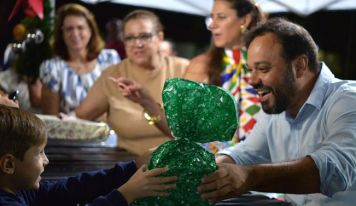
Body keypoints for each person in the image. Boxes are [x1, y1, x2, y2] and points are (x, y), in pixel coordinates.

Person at [198, 18, 356, 206]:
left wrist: (249, 176)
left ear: (300, 65)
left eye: (263, 69)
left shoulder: (349, 99)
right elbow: (248, 153)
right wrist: (216, 167)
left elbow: (332, 169)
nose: (253, 81)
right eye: (250, 70)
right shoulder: (279, 103)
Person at [0, 104, 177, 206]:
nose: (47, 160)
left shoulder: (18, 188)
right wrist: (125, 195)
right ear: (9, 165)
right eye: (39, 153)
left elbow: (71, 189)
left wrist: (133, 167)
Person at [75, 10, 189, 156]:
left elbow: (195, 132)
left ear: (159, 38)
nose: (137, 44)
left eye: (144, 36)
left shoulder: (184, 69)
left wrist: (147, 103)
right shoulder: (113, 74)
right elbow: (82, 115)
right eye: (129, 38)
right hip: (129, 163)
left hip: (179, 160)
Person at [184, 0, 266, 153]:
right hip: (214, 166)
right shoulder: (199, 66)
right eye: (211, 17)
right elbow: (184, 128)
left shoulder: (269, 64)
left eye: (221, 17)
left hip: (262, 163)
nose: (212, 25)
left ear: (245, 20)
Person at [40, 3, 120, 115]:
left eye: (80, 28)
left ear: (91, 30)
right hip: (71, 131)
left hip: (110, 130)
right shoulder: (52, 67)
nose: (75, 33)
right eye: (69, 29)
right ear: (61, 33)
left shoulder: (110, 58)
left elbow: (119, 104)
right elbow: (51, 120)